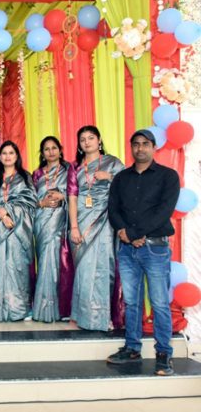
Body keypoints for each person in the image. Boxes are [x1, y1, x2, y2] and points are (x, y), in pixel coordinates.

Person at [106, 129, 180, 376]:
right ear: (131, 147)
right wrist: (124, 232)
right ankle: (132, 347)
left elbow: (163, 211)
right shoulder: (121, 178)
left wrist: (135, 233)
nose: (140, 148)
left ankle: (163, 354)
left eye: (145, 144)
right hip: (127, 249)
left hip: (155, 248)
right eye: (136, 144)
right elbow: (113, 209)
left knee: (159, 302)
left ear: (154, 147)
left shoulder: (168, 176)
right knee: (131, 301)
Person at [68, 125, 124, 332]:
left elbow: (128, 185)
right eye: (82, 139)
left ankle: (102, 317)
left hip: (106, 220)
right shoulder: (75, 168)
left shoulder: (112, 163)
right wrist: (73, 226)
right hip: (81, 220)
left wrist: (108, 177)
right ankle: (83, 315)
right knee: (83, 269)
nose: (87, 142)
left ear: (99, 141)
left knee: (102, 268)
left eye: (91, 138)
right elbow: (72, 197)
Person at [0, 140, 38, 322]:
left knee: (18, 267)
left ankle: (20, 309)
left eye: (11, 153)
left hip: (19, 230)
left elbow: (30, 202)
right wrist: (1, 214)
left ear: (17, 156)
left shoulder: (25, 177)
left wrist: (9, 212)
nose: (7, 156)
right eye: (4, 153)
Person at [31, 136, 77, 323]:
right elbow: (30, 198)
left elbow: (78, 195)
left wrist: (63, 195)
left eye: (54, 148)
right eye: (46, 149)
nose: (50, 152)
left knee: (59, 264)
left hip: (60, 221)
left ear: (60, 149)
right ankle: (42, 307)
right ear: (42, 153)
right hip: (41, 223)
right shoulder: (36, 174)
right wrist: (41, 203)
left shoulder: (69, 171)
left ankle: (58, 308)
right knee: (44, 261)